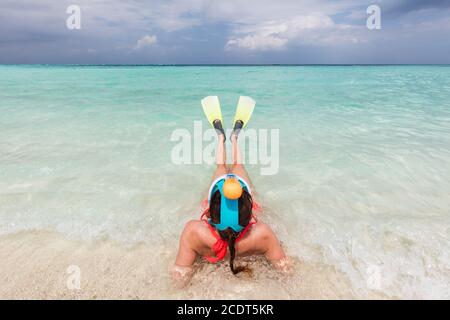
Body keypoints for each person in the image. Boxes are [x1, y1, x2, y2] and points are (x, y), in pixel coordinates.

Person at [172, 113, 289, 286]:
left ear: (210, 213)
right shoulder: (262, 234)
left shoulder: (194, 232)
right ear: (249, 214)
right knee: (238, 166)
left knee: (221, 167)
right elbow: (285, 270)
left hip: (223, 208)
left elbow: (180, 274)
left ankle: (221, 138)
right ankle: (234, 139)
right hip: (237, 211)